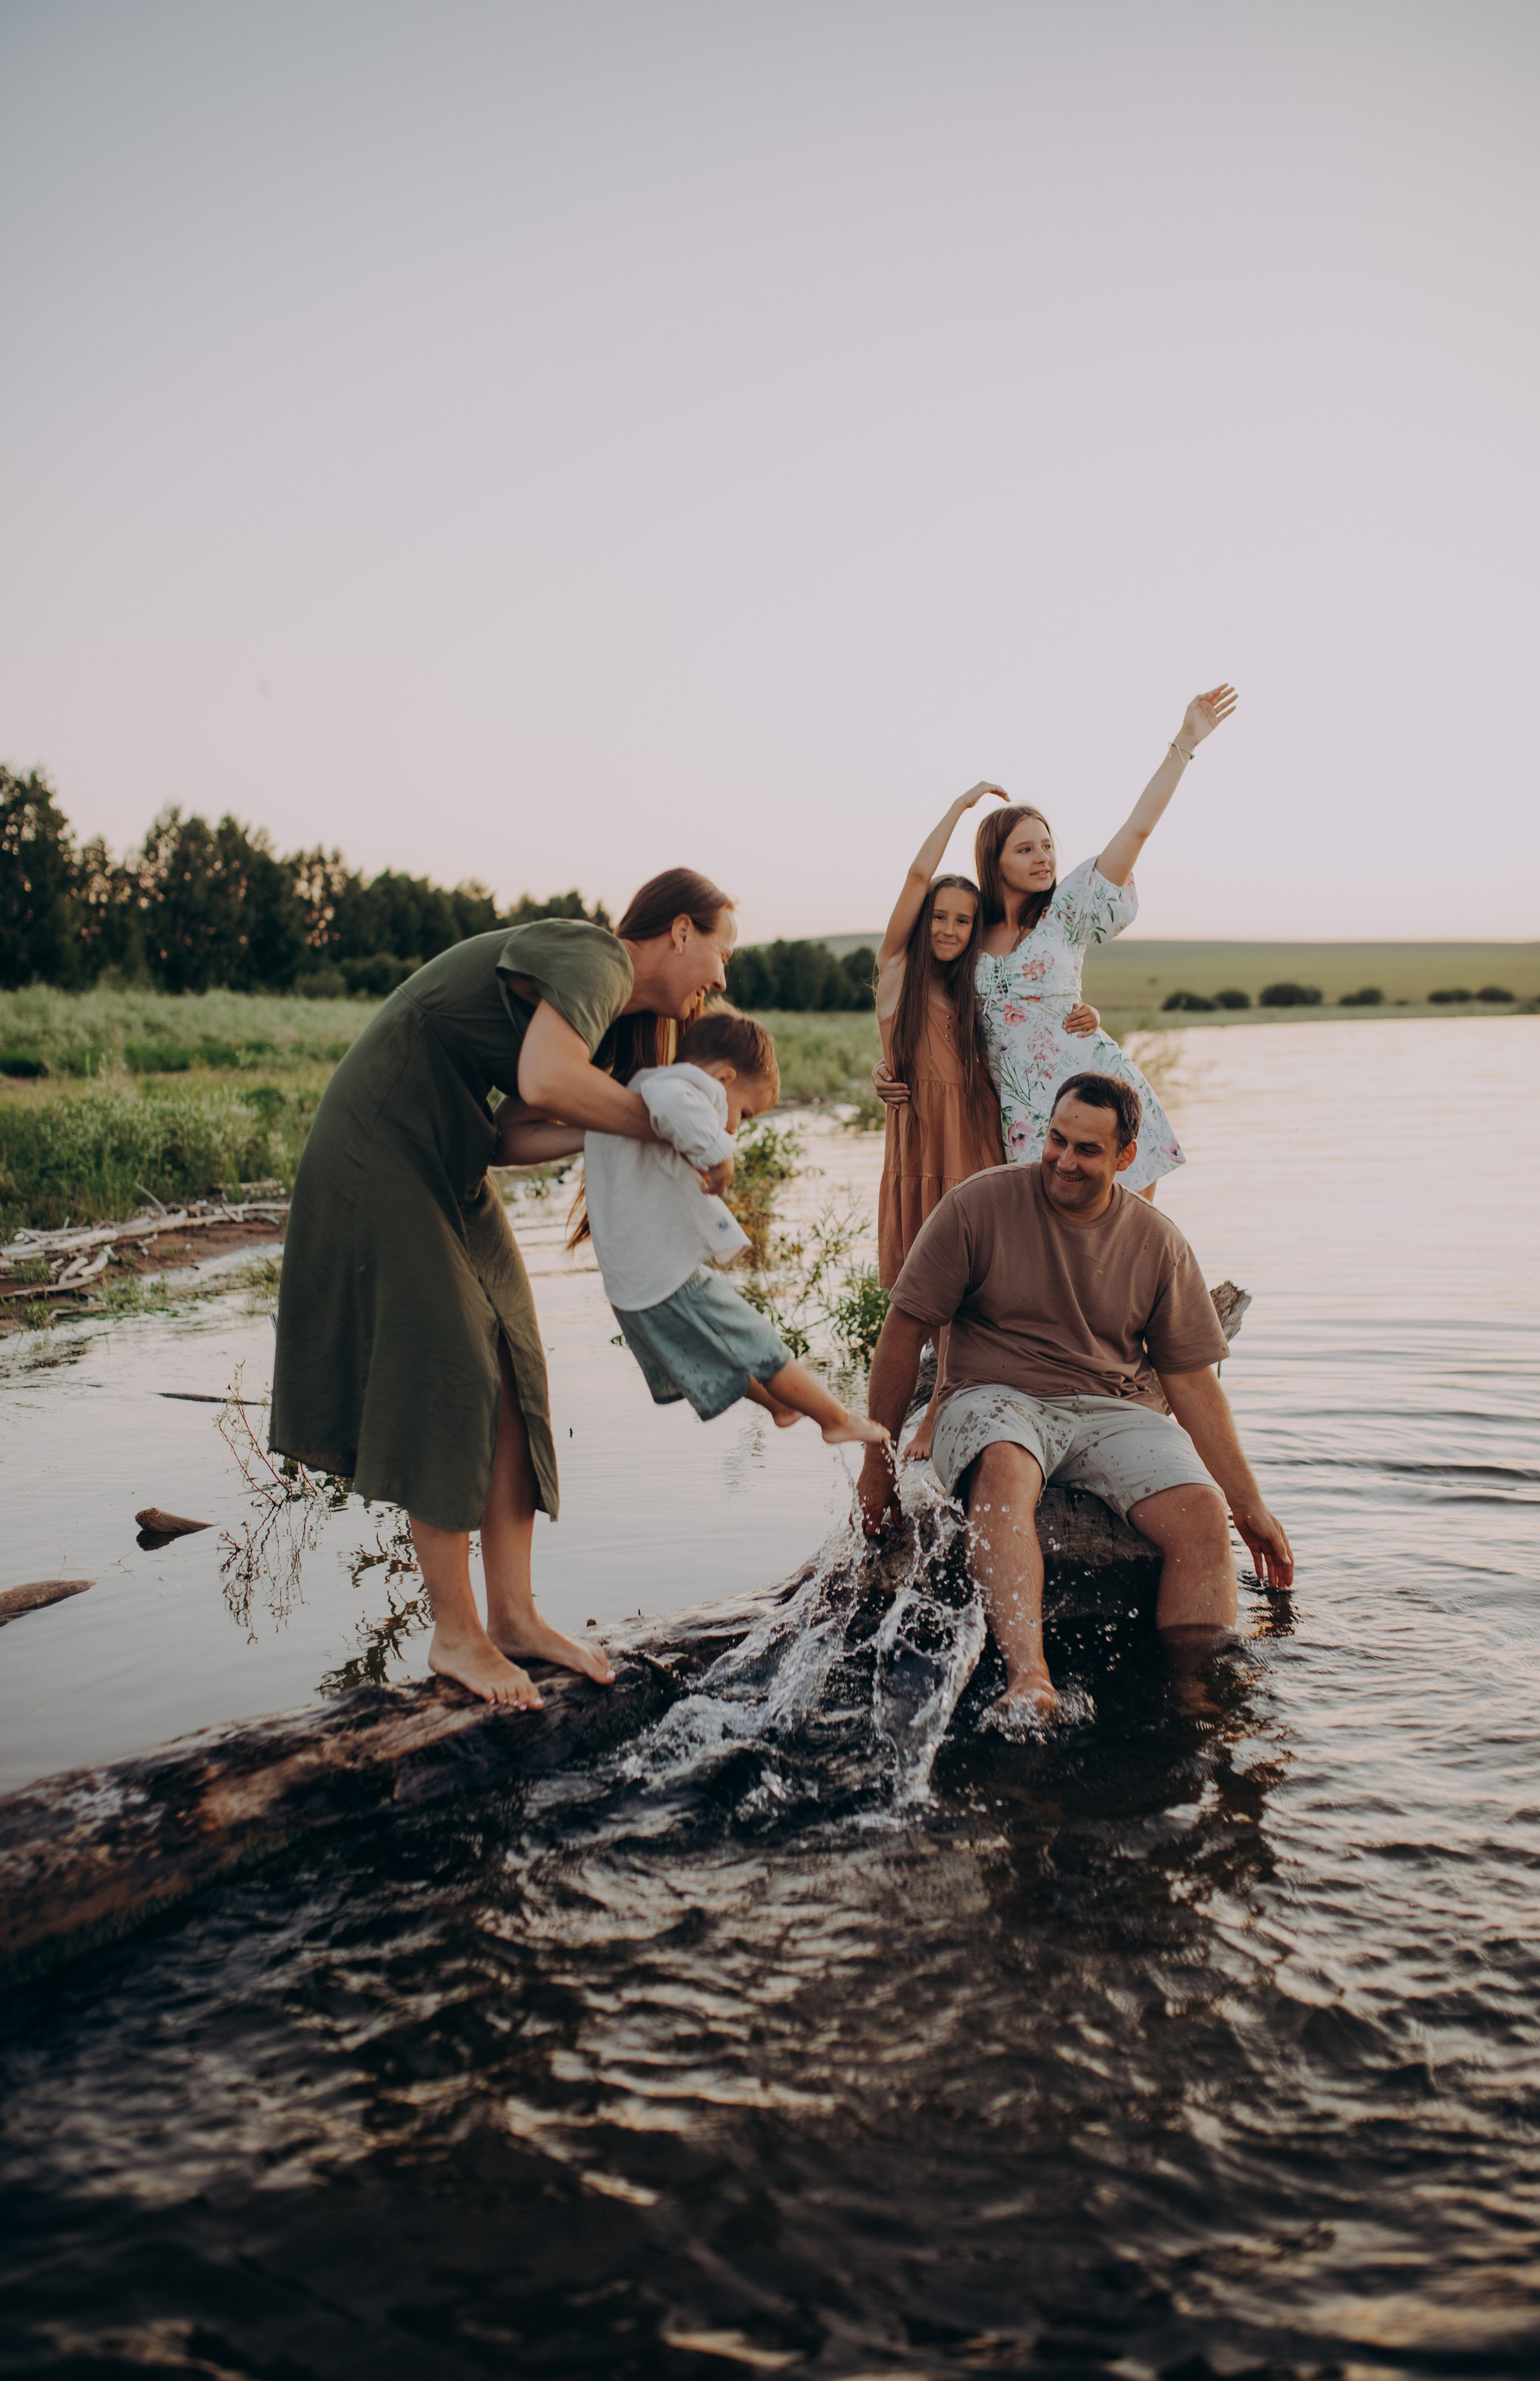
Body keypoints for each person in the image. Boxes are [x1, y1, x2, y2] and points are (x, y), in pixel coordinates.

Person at [270, 868, 738, 1710]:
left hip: (449, 1153)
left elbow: (515, 1128)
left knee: (516, 1359)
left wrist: (645, 1124)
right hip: (381, 1141)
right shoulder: (598, 958)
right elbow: (550, 1085)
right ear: (678, 931)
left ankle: (514, 1616)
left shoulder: (612, 1022)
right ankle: (456, 1636)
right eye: (720, 949)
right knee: (451, 1362)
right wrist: (665, 1121)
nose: (722, 976)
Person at [855, 1070, 1292, 1719]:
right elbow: (902, 1333)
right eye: (1055, 1139)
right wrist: (877, 1469)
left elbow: (1192, 1384)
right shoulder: (977, 1206)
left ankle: (1194, 1701)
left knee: (1202, 1512)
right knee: (1003, 1465)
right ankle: (1030, 1678)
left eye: (1086, 1150)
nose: (1062, 1160)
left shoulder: (1157, 1241)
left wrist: (1247, 1503)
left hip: (1110, 1411)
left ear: (1124, 1158)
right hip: (992, 1395)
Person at [875, 689, 1237, 1198]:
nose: (1043, 857)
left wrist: (1183, 743)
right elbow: (924, 1009)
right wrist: (886, 1066)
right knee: (1053, 1242)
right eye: (1025, 849)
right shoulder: (965, 936)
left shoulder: (1064, 913)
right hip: (1024, 1113)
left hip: (1095, 1085)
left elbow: (1136, 832)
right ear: (993, 859)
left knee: (1124, 1231)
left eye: (1047, 845)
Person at [508, 1007, 890, 1448]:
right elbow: (676, 1102)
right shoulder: (679, 1086)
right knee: (762, 1342)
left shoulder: (630, 1094)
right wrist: (718, 1152)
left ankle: (780, 1405)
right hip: (668, 1278)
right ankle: (835, 1419)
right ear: (724, 1079)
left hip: (634, 1289)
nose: (736, 1128)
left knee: (722, 1352)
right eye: (743, 1114)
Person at [872, 785, 1101, 1457]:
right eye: (938, 918)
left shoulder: (972, 986)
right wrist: (959, 808)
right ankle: (887, 1436)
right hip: (920, 1146)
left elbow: (1035, 1012)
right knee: (917, 1288)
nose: (948, 930)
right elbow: (918, 876)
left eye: (962, 922)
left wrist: (1088, 1018)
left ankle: (946, 1410)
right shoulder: (895, 975)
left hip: (977, 1140)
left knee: (973, 1291)